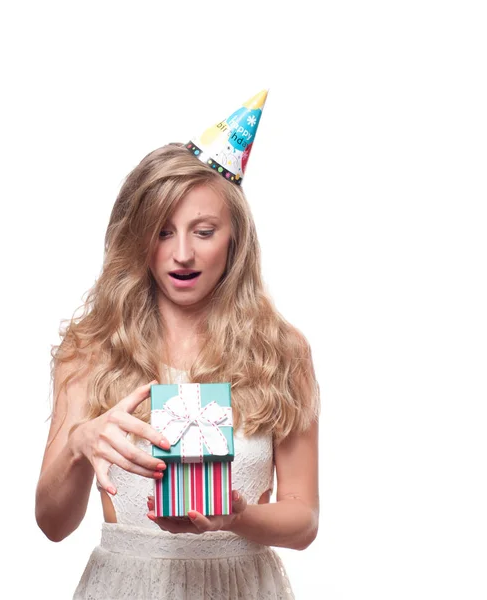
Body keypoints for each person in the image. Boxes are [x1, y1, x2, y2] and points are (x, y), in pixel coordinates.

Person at [35, 90, 321, 599]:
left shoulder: (281, 351)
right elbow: (52, 524)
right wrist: (78, 444)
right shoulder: (92, 348)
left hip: (241, 586)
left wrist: (240, 516)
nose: (182, 254)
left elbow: (304, 519)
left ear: (235, 238)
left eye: (204, 231)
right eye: (162, 232)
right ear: (137, 236)